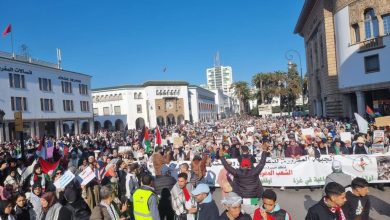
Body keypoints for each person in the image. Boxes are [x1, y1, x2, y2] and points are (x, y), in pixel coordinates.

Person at [220, 147, 267, 215]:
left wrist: (222, 157)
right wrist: (264, 152)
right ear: (249, 166)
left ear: (241, 165)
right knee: (254, 215)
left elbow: (227, 166)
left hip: (242, 200)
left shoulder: (237, 172)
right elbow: (262, 163)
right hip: (254, 200)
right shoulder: (255, 171)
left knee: (242, 216)